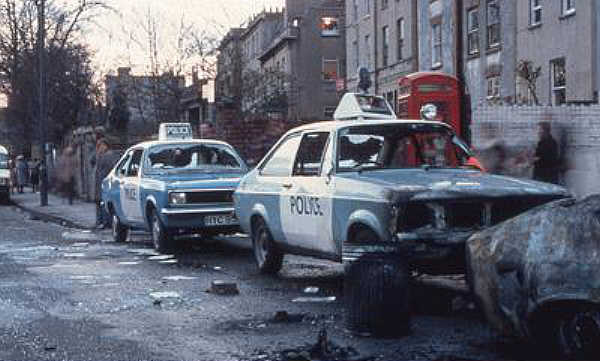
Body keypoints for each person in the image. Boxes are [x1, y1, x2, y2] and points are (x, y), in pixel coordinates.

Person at [93, 138, 120, 228]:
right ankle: (100, 222)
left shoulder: (108, 155)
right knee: (99, 202)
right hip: (100, 183)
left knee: (104, 202)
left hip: (105, 183)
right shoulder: (100, 155)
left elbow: (110, 169)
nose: (98, 148)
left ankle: (105, 222)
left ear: (105, 146)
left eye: (100, 146)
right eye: (97, 146)